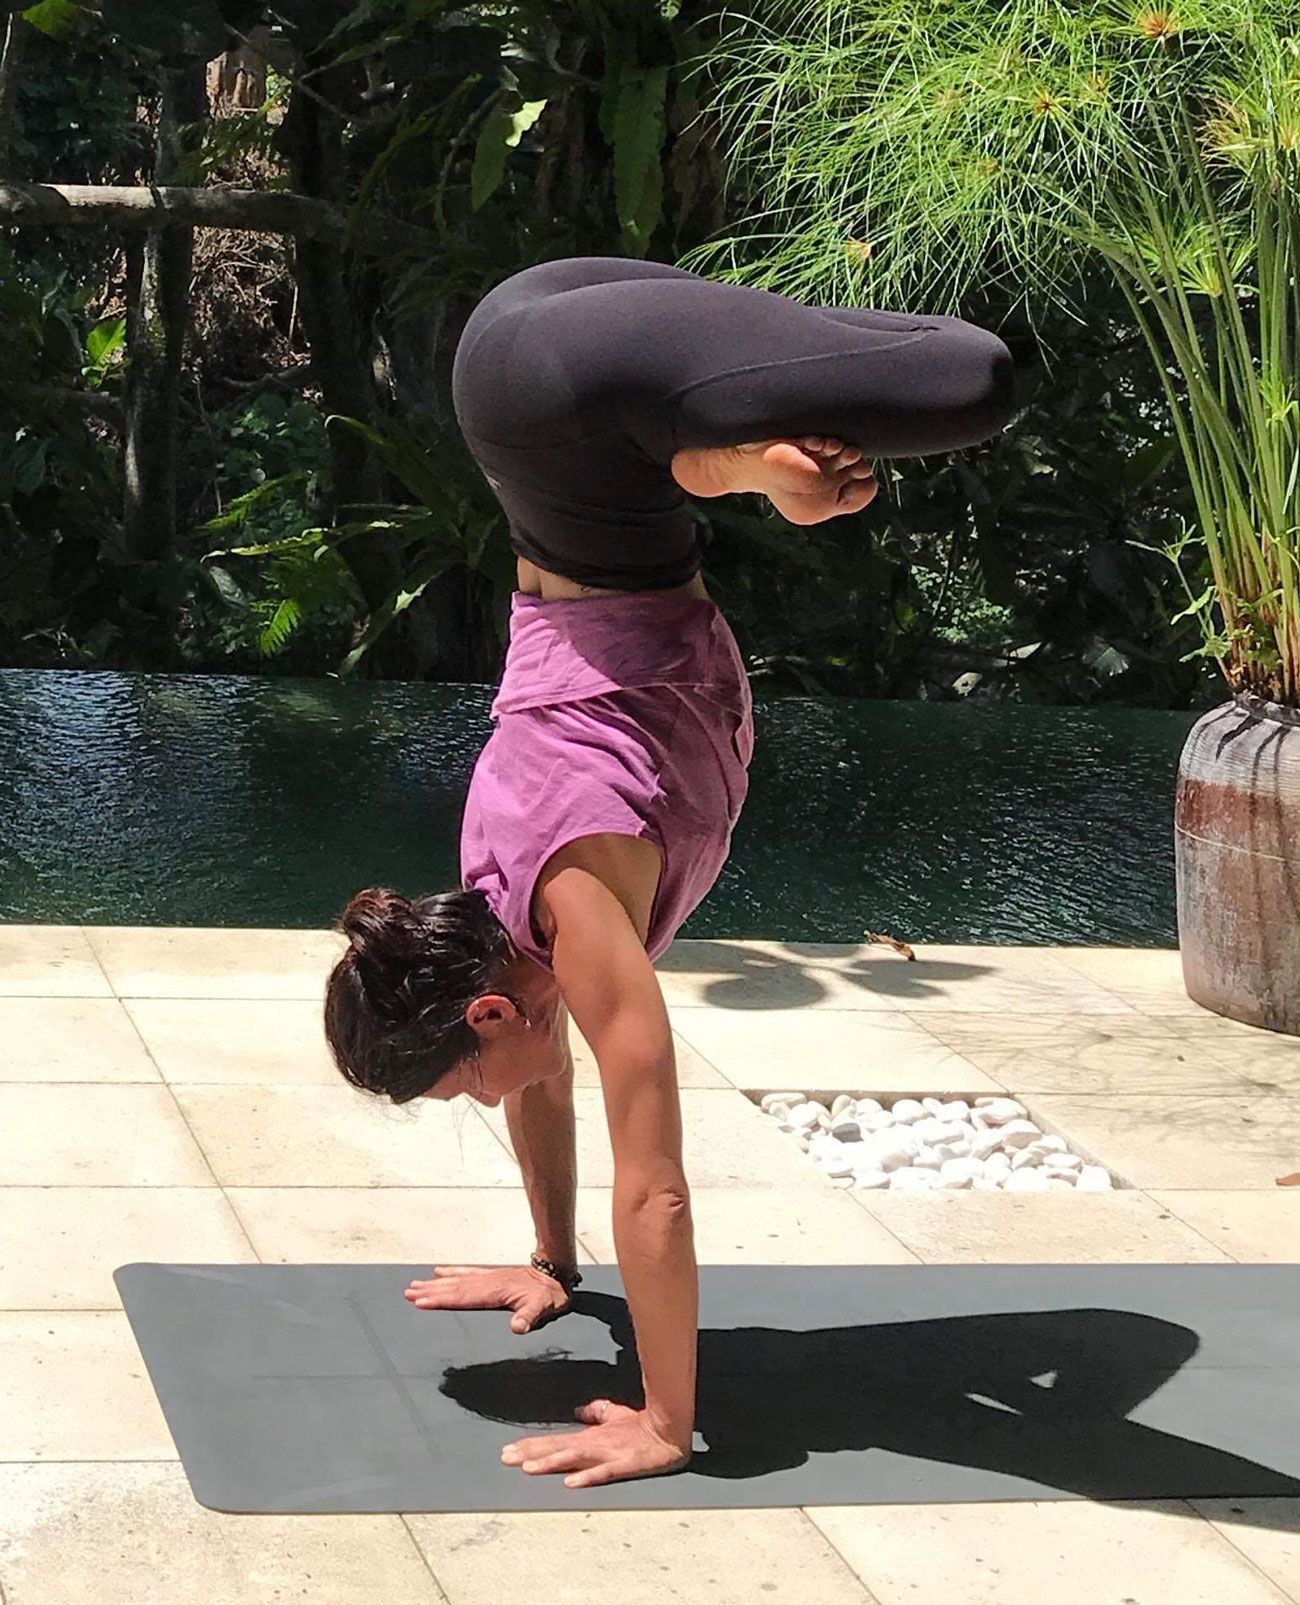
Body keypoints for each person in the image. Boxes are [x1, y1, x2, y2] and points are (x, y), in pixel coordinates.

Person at [323, 255, 1015, 1490]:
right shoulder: (499, 920)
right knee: (779, 400)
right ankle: (755, 418)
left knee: (975, 380)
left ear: (486, 1012)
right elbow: (536, 1077)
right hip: (533, 362)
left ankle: (764, 434)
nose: (486, 1105)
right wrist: (550, 1263)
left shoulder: (574, 911)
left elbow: (660, 1190)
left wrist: (664, 1420)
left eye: (459, 1091)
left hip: (564, 394)